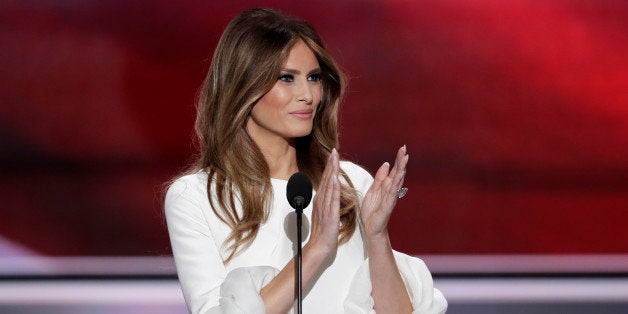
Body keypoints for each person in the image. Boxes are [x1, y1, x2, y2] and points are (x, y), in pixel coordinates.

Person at [165, 8, 447, 314]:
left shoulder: (348, 184)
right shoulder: (196, 197)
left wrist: (377, 236)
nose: (308, 95)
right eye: (287, 78)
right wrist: (316, 249)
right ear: (243, 85)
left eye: (314, 78)